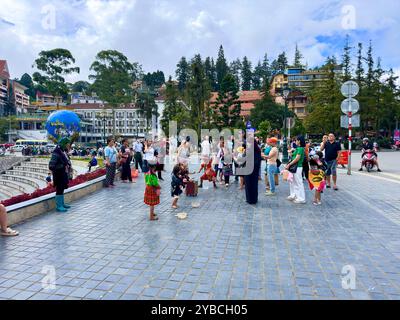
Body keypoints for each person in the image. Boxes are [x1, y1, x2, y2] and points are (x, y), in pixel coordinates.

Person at [49, 137, 72, 212]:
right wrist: (62, 166)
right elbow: (51, 165)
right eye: (67, 144)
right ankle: (59, 206)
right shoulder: (56, 151)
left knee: (62, 188)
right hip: (58, 174)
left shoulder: (62, 151)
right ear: (63, 144)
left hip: (62, 173)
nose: (68, 145)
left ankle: (62, 204)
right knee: (59, 188)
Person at [286, 135, 306, 204]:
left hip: (298, 167)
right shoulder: (297, 148)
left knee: (298, 182)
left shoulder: (300, 149)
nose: (295, 141)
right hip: (295, 167)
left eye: (296, 140)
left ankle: (301, 198)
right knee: (293, 182)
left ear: (299, 141)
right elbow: (293, 156)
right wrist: (289, 151)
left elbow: (297, 159)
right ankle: (295, 195)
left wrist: (289, 164)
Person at [244, 134, 262, 205]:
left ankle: (249, 199)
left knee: (249, 185)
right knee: (254, 185)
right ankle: (254, 199)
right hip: (255, 170)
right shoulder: (257, 150)